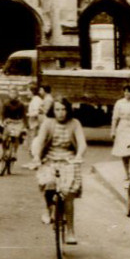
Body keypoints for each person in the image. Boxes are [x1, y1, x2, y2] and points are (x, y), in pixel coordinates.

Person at [31, 97, 89, 244]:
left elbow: (82, 143)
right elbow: (40, 141)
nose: (61, 113)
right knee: (47, 183)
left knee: (68, 195)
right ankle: (48, 208)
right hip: (50, 158)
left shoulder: (75, 123)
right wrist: (37, 156)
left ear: (68, 110)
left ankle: (70, 231)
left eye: (63, 109)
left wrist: (79, 156)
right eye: (57, 109)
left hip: (69, 160)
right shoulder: (48, 123)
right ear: (53, 110)